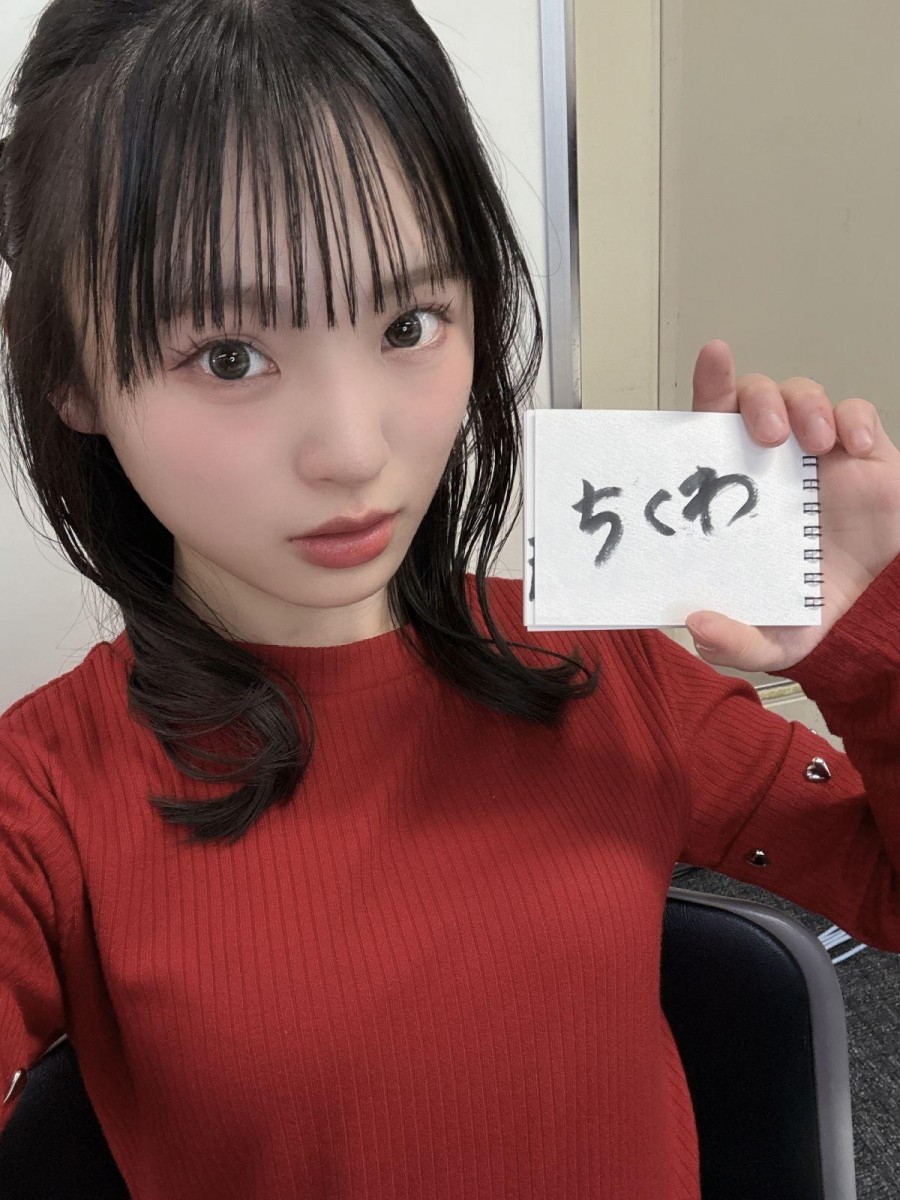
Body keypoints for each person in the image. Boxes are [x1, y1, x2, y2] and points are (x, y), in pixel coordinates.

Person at [0, 1, 898, 1197]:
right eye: (227, 356)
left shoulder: (597, 662)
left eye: (408, 323)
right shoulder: (41, 799)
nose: (351, 449)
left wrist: (868, 639)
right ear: (70, 370)